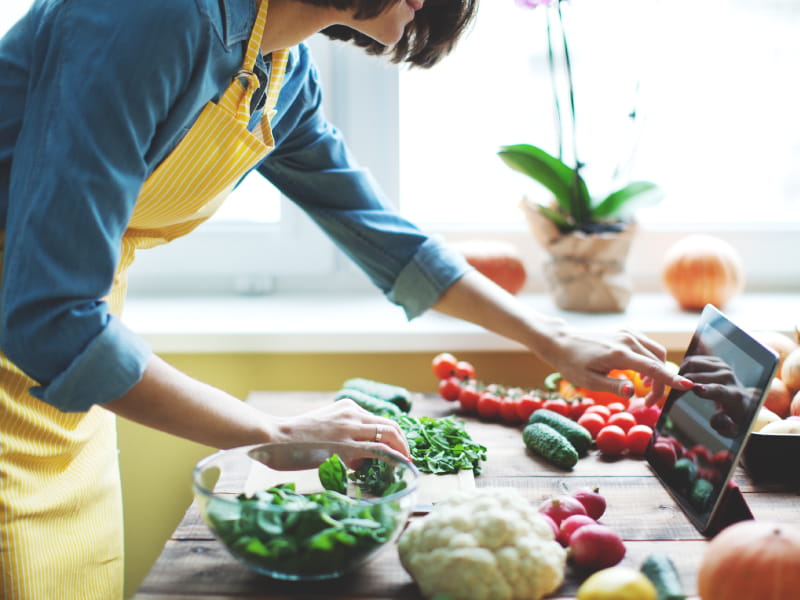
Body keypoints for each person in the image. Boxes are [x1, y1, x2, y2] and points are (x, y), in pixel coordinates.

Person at [0, 0, 692, 598]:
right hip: (47, 337)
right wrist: (272, 434)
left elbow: (385, 239)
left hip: (67, 386)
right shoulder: (152, 16)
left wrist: (549, 336)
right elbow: (52, 314)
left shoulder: (277, 69)